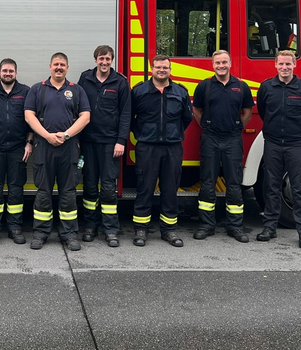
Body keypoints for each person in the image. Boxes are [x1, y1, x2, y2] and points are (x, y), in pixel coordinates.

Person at [24, 52, 91, 251]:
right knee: (43, 192)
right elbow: (29, 116)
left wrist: (66, 135)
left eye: (62, 64)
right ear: (50, 67)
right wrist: (47, 136)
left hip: (69, 148)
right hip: (44, 147)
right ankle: (40, 233)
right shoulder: (38, 89)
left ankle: (69, 234)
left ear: (68, 68)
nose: (59, 67)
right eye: (56, 64)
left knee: (68, 193)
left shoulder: (76, 90)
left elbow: (85, 116)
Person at [256, 50, 301, 249]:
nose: (284, 68)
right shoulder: (267, 87)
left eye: (288, 64)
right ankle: (270, 227)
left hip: (297, 144)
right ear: (275, 65)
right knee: (271, 186)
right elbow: (263, 111)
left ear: (294, 65)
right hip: (273, 143)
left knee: (299, 188)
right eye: (281, 64)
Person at [130, 54, 193, 248]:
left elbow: (187, 118)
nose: (161, 70)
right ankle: (141, 230)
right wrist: (143, 133)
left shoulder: (180, 92)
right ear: (152, 69)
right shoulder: (139, 91)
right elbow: (130, 118)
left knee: (170, 189)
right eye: (158, 67)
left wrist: (173, 133)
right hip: (147, 147)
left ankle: (169, 230)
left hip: (172, 147)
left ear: (170, 69)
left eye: (165, 67)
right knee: (145, 188)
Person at [191, 50, 254, 242]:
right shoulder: (204, 86)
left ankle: (235, 226)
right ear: (213, 65)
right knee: (208, 183)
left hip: (233, 139)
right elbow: (196, 110)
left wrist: (236, 128)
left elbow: (247, 112)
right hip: (210, 138)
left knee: (234, 184)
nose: (221, 66)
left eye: (224, 62)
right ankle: (206, 225)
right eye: (217, 62)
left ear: (230, 63)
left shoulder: (241, 87)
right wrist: (207, 127)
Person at [77, 45, 130, 248]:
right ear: (95, 59)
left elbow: (126, 113)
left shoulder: (120, 82)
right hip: (88, 141)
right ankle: (90, 227)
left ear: (112, 60)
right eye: (101, 59)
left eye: (108, 59)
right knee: (90, 186)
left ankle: (110, 229)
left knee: (108, 188)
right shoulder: (85, 79)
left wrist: (121, 140)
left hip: (110, 143)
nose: (105, 62)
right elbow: (79, 108)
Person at [0, 58, 33, 246]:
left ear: (16, 73)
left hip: (18, 148)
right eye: (4, 71)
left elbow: (30, 120)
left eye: (11, 71)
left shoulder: (26, 92)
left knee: (16, 189)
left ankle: (15, 228)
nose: (8, 73)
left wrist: (29, 143)